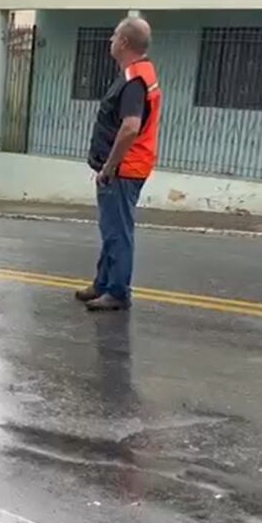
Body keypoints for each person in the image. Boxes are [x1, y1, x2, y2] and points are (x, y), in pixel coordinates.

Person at [75, 17, 162, 312]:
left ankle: (117, 291)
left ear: (124, 42)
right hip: (130, 165)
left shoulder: (134, 80)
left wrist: (110, 165)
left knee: (118, 231)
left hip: (125, 168)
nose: (110, 40)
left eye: (114, 36)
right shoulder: (139, 73)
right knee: (111, 228)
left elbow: (130, 127)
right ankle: (102, 282)